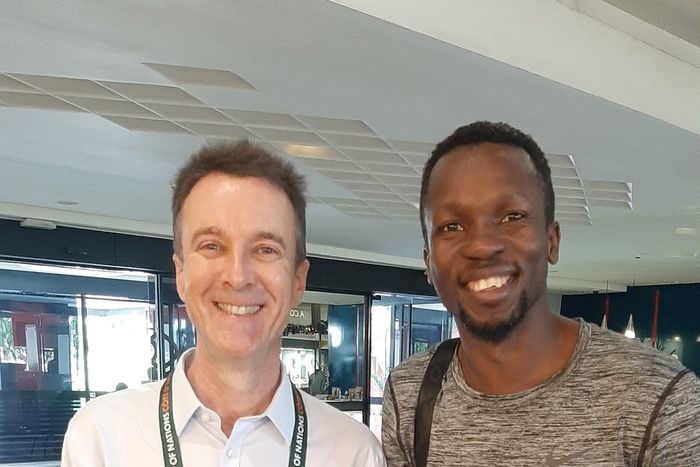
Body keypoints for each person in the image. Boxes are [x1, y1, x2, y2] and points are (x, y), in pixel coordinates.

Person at [381, 121, 700, 466]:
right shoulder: (409, 392)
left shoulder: (658, 398)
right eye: (452, 226)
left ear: (551, 241)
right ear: (429, 262)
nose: (482, 246)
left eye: (511, 216)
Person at [62, 141, 385, 466]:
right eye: (212, 246)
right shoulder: (102, 439)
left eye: (266, 249)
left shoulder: (353, 453)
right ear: (181, 273)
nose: (238, 276)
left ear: (297, 281)